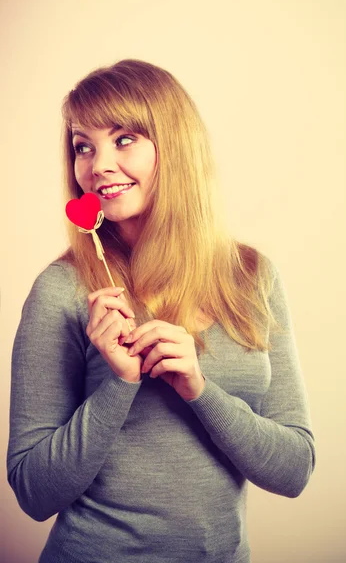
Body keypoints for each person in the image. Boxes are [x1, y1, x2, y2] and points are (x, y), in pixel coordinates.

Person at [7, 59, 316, 563]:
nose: (97, 165)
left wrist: (200, 390)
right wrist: (119, 385)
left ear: (175, 144)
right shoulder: (62, 291)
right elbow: (32, 492)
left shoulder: (253, 277)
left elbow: (294, 469)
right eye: (83, 146)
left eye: (123, 138)